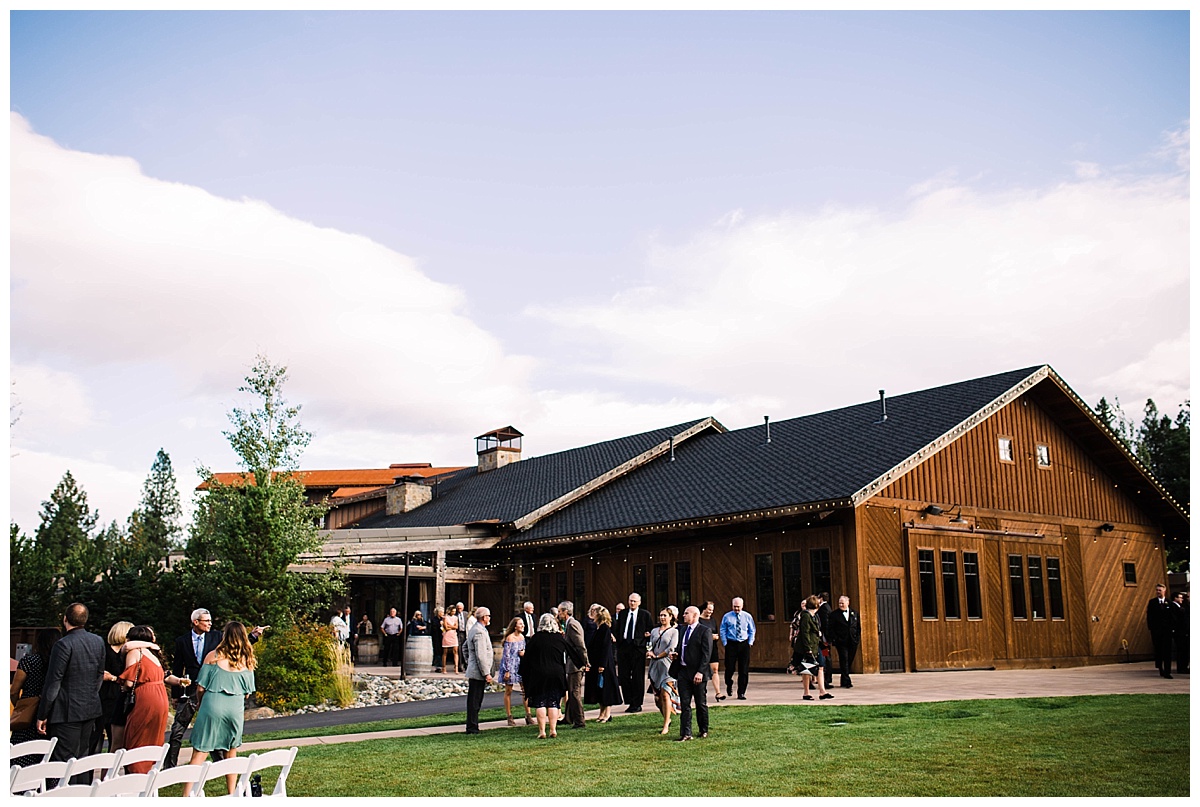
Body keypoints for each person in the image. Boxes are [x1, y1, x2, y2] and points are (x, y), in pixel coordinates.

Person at [35, 602, 106, 775]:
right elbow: (99, 675)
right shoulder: (98, 641)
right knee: (82, 759)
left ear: (65, 619)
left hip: (66, 712)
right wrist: (91, 695)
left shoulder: (63, 644)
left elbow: (54, 682)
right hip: (90, 708)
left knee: (64, 763)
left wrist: (42, 714)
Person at [187, 622, 257, 795]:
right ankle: (232, 793)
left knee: (199, 753)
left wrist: (200, 703)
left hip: (212, 705)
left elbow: (201, 687)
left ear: (225, 636)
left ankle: (186, 795)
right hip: (235, 709)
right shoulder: (247, 660)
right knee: (230, 753)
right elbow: (248, 692)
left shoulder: (213, 656)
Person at [118, 625, 181, 774]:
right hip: (160, 696)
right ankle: (148, 772)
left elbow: (129, 682)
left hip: (145, 697)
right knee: (153, 736)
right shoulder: (154, 655)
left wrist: (124, 688)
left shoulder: (134, 652)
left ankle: (136, 773)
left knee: (137, 736)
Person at [166, 608, 221, 769]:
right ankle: (169, 767)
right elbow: (177, 669)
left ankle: (220, 764)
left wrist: (252, 637)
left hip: (210, 689)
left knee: (212, 728)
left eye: (211, 620)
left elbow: (235, 646)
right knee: (177, 730)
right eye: (207, 620)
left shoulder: (216, 637)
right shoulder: (182, 641)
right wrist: (175, 695)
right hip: (190, 691)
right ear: (196, 622)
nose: (210, 623)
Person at [519, 613, 584, 739]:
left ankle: (542, 731)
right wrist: (581, 663)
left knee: (540, 703)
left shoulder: (535, 638)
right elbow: (572, 651)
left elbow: (527, 658)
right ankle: (553, 729)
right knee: (553, 703)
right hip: (556, 673)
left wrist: (523, 672)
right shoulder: (559, 638)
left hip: (539, 674)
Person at [10, 628, 58, 767]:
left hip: (28, 712)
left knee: (20, 754)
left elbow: (14, 690)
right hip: (52, 712)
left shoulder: (29, 661)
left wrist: (19, 706)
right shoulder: (59, 663)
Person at [669, 605, 713, 742]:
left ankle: (703, 729)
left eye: (686, 613)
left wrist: (700, 672)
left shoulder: (704, 631)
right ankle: (686, 733)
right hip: (683, 671)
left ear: (694, 615)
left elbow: (707, 654)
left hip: (698, 673)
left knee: (700, 703)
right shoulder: (682, 630)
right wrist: (676, 655)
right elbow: (681, 647)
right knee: (685, 704)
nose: (684, 615)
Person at [89, 621, 132, 755]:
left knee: (116, 740)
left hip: (119, 697)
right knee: (95, 737)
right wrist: (114, 678)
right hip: (104, 696)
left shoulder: (128, 653)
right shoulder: (105, 651)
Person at [614, 592, 653, 712]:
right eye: (630, 600)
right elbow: (618, 628)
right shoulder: (623, 614)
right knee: (624, 676)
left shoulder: (645, 614)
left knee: (637, 677)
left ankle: (637, 703)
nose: (632, 603)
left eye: (634, 601)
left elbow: (650, 630)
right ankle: (630, 700)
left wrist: (646, 641)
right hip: (624, 647)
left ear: (639, 602)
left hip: (638, 648)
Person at [583, 605, 621, 723]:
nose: (592, 614)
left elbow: (605, 648)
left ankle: (607, 714)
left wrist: (602, 665)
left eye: (594, 612)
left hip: (605, 664)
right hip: (596, 662)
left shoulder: (605, 629)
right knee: (599, 689)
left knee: (606, 689)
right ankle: (601, 713)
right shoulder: (598, 628)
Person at [647, 608, 680, 735]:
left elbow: (671, 647)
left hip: (667, 666)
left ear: (671, 617)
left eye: (665, 615)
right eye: (660, 615)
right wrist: (650, 653)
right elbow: (649, 644)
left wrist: (658, 656)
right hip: (655, 666)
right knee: (657, 698)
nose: (662, 618)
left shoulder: (674, 632)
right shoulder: (654, 631)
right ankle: (667, 716)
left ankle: (665, 725)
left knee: (666, 694)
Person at [558, 600, 591, 728]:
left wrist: (585, 662)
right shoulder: (568, 624)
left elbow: (580, 645)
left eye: (560, 611)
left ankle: (580, 721)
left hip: (576, 664)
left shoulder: (572, 624)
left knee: (574, 692)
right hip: (571, 663)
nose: (559, 614)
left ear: (566, 612)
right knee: (571, 691)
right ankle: (569, 717)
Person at [794, 596, 833, 701]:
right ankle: (806, 693)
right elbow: (804, 633)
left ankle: (822, 691)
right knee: (806, 668)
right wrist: (808, 649)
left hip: (816, 645)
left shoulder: (815, 616)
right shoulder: (806, 616)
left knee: (821, 666)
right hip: (808, 646)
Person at [464, 607, 494, 735]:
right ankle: (472, 727)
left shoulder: (476, 629)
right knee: (475, 700)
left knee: (475, 699)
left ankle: (472, 725)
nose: (490, 618)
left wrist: (468, 661)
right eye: (488, 616)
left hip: (475, 670)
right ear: (484, 617)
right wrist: (486, 673)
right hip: (478, 672)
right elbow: (481, 654)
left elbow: (464, 647)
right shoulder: (479, 632)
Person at [719, 597, 756, 699]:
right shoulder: (727, 616)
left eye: (738, 607)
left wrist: (750, 642)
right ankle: (729, 683)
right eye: (734, 607)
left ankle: (741, 692)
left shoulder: (747, 616)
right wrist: (725, 642)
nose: (736, 609)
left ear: (742, 606)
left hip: (744, 644)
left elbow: (752, 630)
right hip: (731, 643)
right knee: (730, 667)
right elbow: (723, 629)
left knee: (743, 669)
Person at [499, 618, 532, 726]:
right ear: (515, 626)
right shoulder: (510, 638)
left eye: (523, 624)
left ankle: (528, 715)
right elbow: (506, 656)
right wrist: (507, 671)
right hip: (510, 666)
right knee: (509, 690)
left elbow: (523, 650)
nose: (523, 626)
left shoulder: (522, 637)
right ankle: (509, 716)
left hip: (520, 666)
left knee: (525, 690)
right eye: (520, 624)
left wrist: (524, 653)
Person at [826, 595, 862, 688]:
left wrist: (857, 637)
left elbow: (858, 627)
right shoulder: (834, 615)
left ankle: (844, 679)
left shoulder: (854, 613)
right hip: (841, 642)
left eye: (842, 603)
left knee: (849, 660)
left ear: (848, 603)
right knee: (844, 659)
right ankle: (847, 681)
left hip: (852, 641)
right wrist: (835, 638)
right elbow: (830, 628)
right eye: (839, 603)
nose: (841, 605)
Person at [698, 601, 724, 702]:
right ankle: (701, 691)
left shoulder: (713, 620)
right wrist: (709, 637)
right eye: (709, 610)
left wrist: (716, 637)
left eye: (712, 610)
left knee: (715, 669)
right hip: (702, 648)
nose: (710, 612)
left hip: (713, 647)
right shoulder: (698, 620)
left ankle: (718, 692)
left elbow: (715, 631)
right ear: (704, 609)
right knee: (702, 669)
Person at [1147, 583, 1174, 678]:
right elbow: (1149, 616)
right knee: (1158, 650)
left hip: (1167, 631)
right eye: (1157, 590)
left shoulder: (1169, 603)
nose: (1158, 592)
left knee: (1167, 651)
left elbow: (1172, 617)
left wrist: (1172, 628)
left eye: (1160, 590)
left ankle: (1167, 671)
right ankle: (1160, 668)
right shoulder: (1152, 602)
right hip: (1156, 631)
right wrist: (1152, 628)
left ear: (1164, 591)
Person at [817, 592, 835, 688]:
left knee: (825, 657)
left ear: (821, 598)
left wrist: (825, 638)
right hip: (825, 638)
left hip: (824, 639)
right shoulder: (827, 607)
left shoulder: (823, 609)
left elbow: (825, 624)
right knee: (826, 656)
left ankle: (827, 679)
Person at [1171, 591, 1189, 675]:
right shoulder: (1173, 607)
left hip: (1182, 631)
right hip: (1179, 632)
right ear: (1175, 598)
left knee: (1184, 650)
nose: (1182, 599)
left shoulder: (1180, 607)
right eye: (1180, 597)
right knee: (1181, 650)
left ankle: (1183, 667)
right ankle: (1181, 668)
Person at [442, 605, 461, 674]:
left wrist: (451, 626)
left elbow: (456, 626)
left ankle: (456, 668)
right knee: (445, 652)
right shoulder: (445, 617)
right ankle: (444, 667)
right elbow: (446, 627)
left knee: (455, 651)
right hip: (447, 635)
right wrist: (452, 627)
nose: (453, 612)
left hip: (453, 635)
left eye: (454, 611)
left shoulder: (455, 618)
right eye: (452, 611)